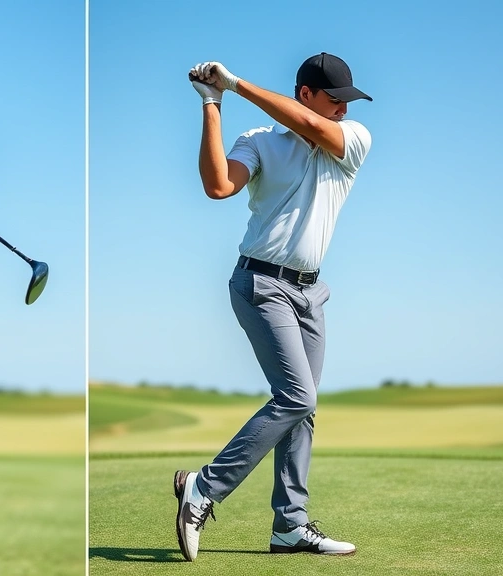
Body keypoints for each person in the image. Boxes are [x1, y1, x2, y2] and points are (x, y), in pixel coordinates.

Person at [174, 53, 373, 562]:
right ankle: (203, 487)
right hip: (261, 283)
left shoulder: (353, 140)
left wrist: (237, 83)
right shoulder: (260, 141)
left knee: (302, 408)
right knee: (297, 396)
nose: (343, 109)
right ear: (305, 93)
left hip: (311, 293)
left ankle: (290, 526)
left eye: (347, 101)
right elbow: (219, 186)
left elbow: (314, 127)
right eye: (335, 99)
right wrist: (214, 104)